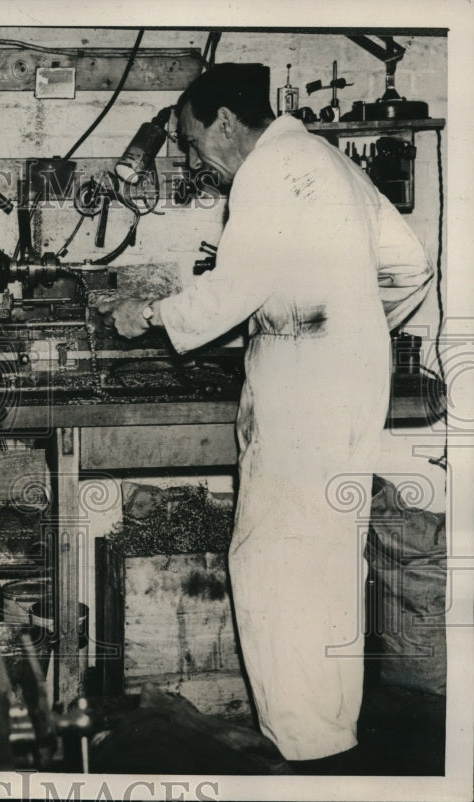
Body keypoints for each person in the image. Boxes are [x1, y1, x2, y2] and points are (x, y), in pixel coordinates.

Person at [98, 63, 432, 769]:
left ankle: (302, 750)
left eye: (192, 143)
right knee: (330, 560)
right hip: (348, 377)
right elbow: (411, 263)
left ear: (226, 121)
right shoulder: (324, 158)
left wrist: (146, 315)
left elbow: (231, 289)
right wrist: (353, 322)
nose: (194, 160)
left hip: (304, 390)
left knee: (274, 563)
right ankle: (330, 736)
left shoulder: (268, 172)